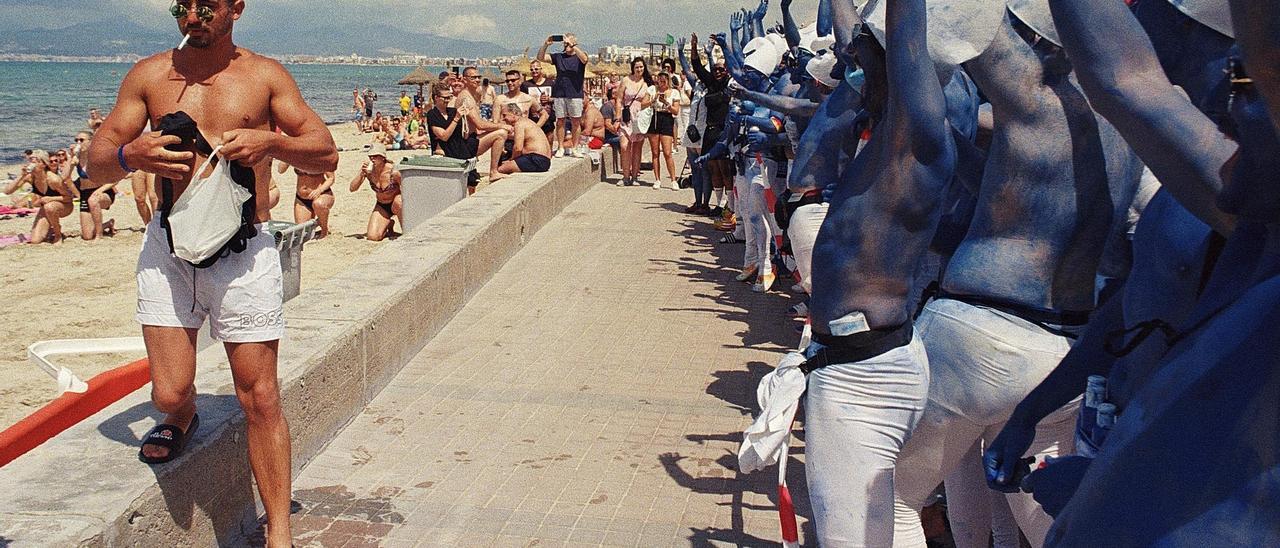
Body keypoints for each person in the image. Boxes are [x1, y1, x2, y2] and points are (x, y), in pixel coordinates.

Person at [84, 1, 339, 545]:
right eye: (183, 5)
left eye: (207, 5)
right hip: (170, 247)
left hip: (244, 249)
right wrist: (133, 156)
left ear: (236, 8)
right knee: (168, 392)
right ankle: (183, 413)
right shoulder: (151, 75)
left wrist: (271, 142)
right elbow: (94, 162)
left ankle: (279, 532)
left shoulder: (264, 76)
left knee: (261, 397)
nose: (193, 15)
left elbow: (325, 153)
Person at [891, 6, 1143, 546]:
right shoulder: (1137, 115)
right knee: (1045, 518)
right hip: (1068, 353)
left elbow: (961, 23)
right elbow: (1020, 192)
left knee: (892, 498)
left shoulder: (1033, 93)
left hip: (980, 334)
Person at [802, 0, 966, 541]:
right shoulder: (891, 131)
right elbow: (871, 42)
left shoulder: (918, 137)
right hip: (866, 359)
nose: (848, 64)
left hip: (862, 378)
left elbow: (907, 42)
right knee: (892, 517)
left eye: (860, 58)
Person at [538, 33, 589, 158]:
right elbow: (541, 58)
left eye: (568, 42)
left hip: (575, 93)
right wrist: (546, 44)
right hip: (560, 93)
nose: (566, 45)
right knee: (560, 120)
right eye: (565, 43)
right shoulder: (559, 57)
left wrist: (573, 45)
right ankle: (560, 147)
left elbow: (585, 59)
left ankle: (575, 147)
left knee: (575, 121)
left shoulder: (579, 56)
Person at [426, 82, 481, 193]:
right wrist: (456, 118)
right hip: (446, 151)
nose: (447, 100)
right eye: (445, 98)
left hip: (460, 148)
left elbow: (464, 134)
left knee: (472, 180)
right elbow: (444, 136)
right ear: (436, 98)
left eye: (449, 97)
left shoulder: (453, 111)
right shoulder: (432, 114)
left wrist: (465, 118)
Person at [350, 143, 401, 241]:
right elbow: (352, 188)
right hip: (382, 204)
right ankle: (388, 224)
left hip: (397, 202)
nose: (372, 159)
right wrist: (361, 174)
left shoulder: (393, 170)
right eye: (370, 156)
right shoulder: (369, 171)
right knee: (373, 237)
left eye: (375, 156)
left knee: (399, 202)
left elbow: (405, 190)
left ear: (383, 157)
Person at [70, 131, 116, 240]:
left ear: (91, 142)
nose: (78, 142)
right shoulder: (76, 158)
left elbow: (115, 179)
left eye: (82, 140)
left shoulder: (99, 157)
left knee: (93, 200)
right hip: (85, 193)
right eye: (76, 140)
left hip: (102, 192)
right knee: (87, 236)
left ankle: (99, 235)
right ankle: (108, 224)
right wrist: (70, 160)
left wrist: (100, 190)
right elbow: (65, 178)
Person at [489, 103, 551, 182]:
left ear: (514, 113)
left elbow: (518, 148)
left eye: (505, 115)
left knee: (500, 170)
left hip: (536, 159)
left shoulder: (519, 124)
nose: (503, 119)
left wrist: (511, 160)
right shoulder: (527, 122)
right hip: (544, 160)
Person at [616, 57, 654, 186]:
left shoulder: (647, 83)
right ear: (633, 67)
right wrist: (617, 116)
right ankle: (625, 176)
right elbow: (618, 99)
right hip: (626, 116)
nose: (639, 69)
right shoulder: (626, 80)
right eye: (637, 67)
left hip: (640, 117)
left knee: (637, 148)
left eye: (641, 67)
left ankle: (634, 177)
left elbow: (650, 100)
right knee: (624, 146)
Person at [24, 149, 74, 244]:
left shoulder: (54, 179)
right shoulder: (33, 177)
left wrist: (50, 199)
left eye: (35, 161)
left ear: (43, 164)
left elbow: (69, 197)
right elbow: (8, 191)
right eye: (31, 161)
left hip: (65, 206)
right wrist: (21, 176)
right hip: (47, 207)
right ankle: (50, 226)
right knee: (35, 240)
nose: (32, 163)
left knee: (49, 206)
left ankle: (58, 234)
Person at [646, 72, 682, 190]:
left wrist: (666, 103)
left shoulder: (674, 92)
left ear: (668, 81)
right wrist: (654, 100)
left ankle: (673, 179)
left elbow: (676, 111)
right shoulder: (652, 90)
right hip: (655, 117)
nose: (661, 84)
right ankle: (657, 179)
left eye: (663, 81)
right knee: (655, 152)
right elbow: (643, 103)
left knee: (667, 152)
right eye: (659, 81)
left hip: (666, 118)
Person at [280, 161, 334, 238]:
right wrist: (287, 155)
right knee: (302, 232)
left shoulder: (320, 154)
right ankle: (319, 221)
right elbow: (280, 170)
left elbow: (331, 178)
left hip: (322, 195)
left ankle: (324, 230)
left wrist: (319, 190)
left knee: (318, 204)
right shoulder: (295, 154)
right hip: (302, 199)